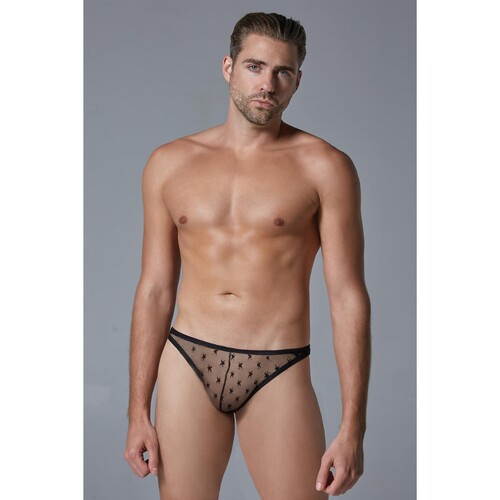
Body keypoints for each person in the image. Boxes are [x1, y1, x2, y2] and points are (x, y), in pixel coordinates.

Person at [123, 11, 371, 499]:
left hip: (278, 364)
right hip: (187, 359)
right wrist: (137, 411)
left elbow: (347, 296)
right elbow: (154, 288)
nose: (268, 84)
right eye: (255, 67)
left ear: (298, 80)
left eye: (283, 72)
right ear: (228, 67)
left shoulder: (326, 167)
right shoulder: (169, 163)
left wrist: (353, 428)